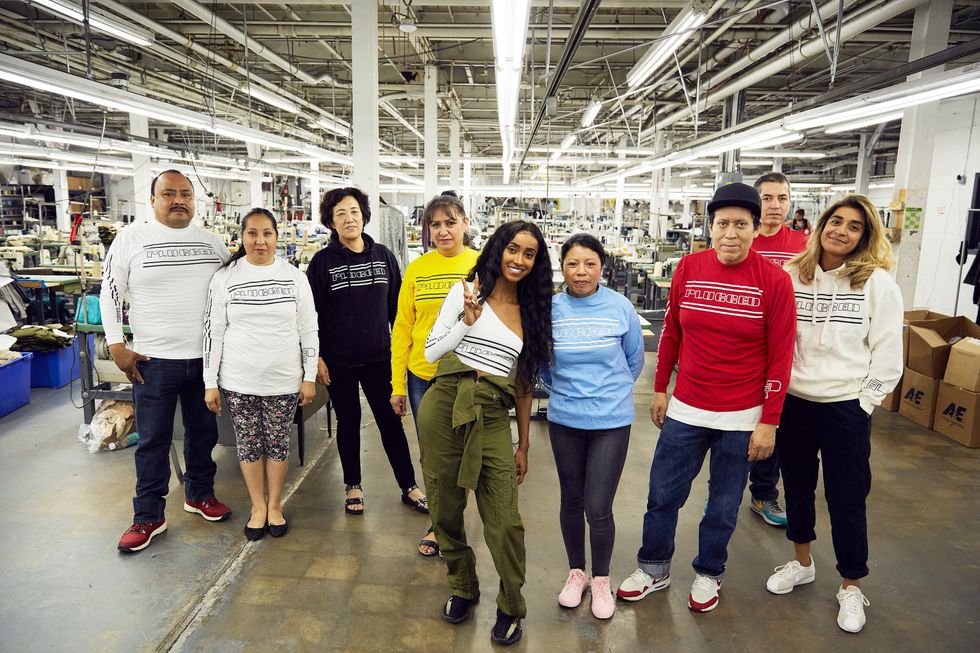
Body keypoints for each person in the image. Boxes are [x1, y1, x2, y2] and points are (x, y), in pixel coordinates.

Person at [616, 183, 796, 613]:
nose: (730, 233)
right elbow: (672, 333)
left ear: (756, 229)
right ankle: (654, 567)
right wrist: (660, 389)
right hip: (686, 409)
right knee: (662, 495)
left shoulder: (774, 281)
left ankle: (710, 572)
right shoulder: (689, 268)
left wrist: (769, 421)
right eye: (722, 224)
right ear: (710, 227)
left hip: (741, 416)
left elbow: (781, 356)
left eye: (741, 224)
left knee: (723, 505)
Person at [764, 194, 902, 634]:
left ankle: (851, 584)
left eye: (854, 226)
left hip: (846, 407)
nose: (842, 230)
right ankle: (801, 562)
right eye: (836, 221)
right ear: (822, 225)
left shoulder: (877, 283)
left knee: (847, 497)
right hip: (795, 402)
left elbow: (889, 354)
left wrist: (865, 402)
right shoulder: (791, 274)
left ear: (865, 236)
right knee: (797, 488)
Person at [417, 220, 552, 646]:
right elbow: (431, 351)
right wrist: (466, 320)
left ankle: (511, 603)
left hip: (493, 415)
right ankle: (463, 586)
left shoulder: (533, 312)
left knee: (505, 520)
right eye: (513, 249)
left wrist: (524, 444)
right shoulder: (466, 292)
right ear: (497, 249)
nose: (519, 259)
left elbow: (525, 385)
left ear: (536, 263)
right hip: (443, 406)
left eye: (529, 254)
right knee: (444, 508)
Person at [101, 169, 232, 553]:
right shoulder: (130, 240)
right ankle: (148, 516)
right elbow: (110, 293)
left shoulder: (211, 243)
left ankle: (199, 495)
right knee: (153, 440)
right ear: (153, 200)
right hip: (153, 361)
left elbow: (232, 289)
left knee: (203, 434)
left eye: (186, 194)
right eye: (169, 193)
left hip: (205, 361)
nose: (179, 200)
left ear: (194, 200)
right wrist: (116, 344)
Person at [306, 187, 426, 517]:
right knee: (348, 422)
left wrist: (404, 354)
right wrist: (317, 356)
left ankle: (409, 486)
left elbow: (399, 312)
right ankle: (353, 486)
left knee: (390, 423)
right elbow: (310, 315)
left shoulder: (383, 256)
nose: (349, 218)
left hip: (379, 358)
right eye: (340, 213)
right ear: (331, 221)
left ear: (364, 216)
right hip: (338, 362)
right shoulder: (322, 263)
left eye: (354, 211)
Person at [542, 233, 644, 620]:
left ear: (602, 267)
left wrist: (607, 394)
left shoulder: (620, 307)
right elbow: (541, 365)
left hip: (610, 422)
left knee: (598, 507)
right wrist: (563, 392)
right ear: (562, 268)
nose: (581, 272)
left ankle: (601, 579)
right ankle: (577, 573)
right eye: (573, 264)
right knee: (571, 500)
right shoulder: (551, 309)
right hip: (565, 420)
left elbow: (634, 360)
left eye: (590, 264)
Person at [202, 208, 317, 540]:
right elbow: (213, 332)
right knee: (249, 445)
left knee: (278, 444)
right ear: (242, 237)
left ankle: (275, 505)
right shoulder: (225, 277)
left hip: (283, 379)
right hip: (239, 380)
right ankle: (257, 507)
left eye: (267, 233)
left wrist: (309, 375)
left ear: (276, 237)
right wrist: (210, 382)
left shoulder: (294, 277)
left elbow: (309, 329)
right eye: (252, 233)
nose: (260, 241)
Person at [390, 193, 480, 557]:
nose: (443, 231)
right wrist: (397, 384)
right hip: (422, 376)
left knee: (460, 454)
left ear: (465, 224)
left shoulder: (480, 264)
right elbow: (402, 327)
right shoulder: (417, 269)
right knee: (432, 456)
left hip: (465, 375)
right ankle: (439, 525)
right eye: (435, 225)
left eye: (450, 223)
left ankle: (451, 522)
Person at [744, 171, 809, 529]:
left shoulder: (804, 245)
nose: (774, 205)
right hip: (745, 350)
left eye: (782, 198)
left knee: (774, 426)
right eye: (767, 198)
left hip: (785, 349)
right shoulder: (741, 238)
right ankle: (722, 490)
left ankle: (764, 494)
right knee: (735, 428)